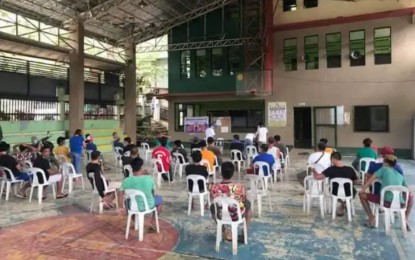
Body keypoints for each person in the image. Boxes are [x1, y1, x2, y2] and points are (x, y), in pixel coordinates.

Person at [359, 155, 413, 230]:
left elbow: (370, 181)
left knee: (361, 195)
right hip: (400, 204)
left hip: (385, 202)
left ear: (386, 163)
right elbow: (408, 191)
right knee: (411, 197)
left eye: (383, 161)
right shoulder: (400, 175)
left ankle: (372, 218)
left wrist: (362, 190)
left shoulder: (383, 169)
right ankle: (405, 220)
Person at [210, 162, 252, 241]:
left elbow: (212, 199)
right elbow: (244, 200)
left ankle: (224, 230)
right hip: (236, 215)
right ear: (233, 173)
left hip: (221, 215)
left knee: (212, 207)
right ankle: (244, 230)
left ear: (221, 173)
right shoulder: (240, 187)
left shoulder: (214, 187)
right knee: (248, 205)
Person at [118, 157, 163, 231]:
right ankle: (152, 222)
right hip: (148, 205)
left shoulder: (127, 180)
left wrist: (120, 207)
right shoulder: (149, 178)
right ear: (141, 167)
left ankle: (136, 222)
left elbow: (120, 193)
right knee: (160, 199)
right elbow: (152, 193)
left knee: (127, 202)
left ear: (132, 168)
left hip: (132, 206)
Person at [313, 152, 358, 216]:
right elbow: (356, 181)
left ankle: (342, 204)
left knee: (332, 190)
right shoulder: (350, 169)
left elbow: (317, 177)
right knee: (353, 191)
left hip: (335, 192)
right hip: (348, 192)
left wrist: (313, 170)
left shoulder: (330, 170)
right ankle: (344, 205)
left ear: (333, 159)